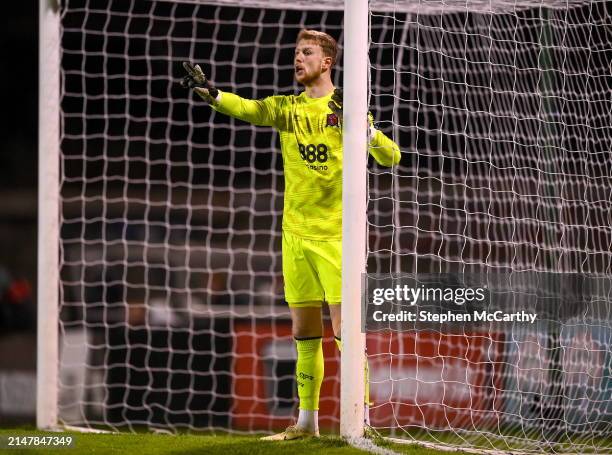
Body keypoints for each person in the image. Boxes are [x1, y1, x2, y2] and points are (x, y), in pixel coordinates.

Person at [181, 29, 400, 440]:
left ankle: (362, 422)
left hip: (337, 237)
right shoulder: (286, 109)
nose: (298, 59)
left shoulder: (346, 109)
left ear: (327, 61)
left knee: (346, 332)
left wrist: (362, 128)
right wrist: (211, 93)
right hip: (294, 235)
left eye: (307, 52)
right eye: (296, 52)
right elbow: (247, 108)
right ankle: (306, 423)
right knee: (304, 331)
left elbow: (391, 156)